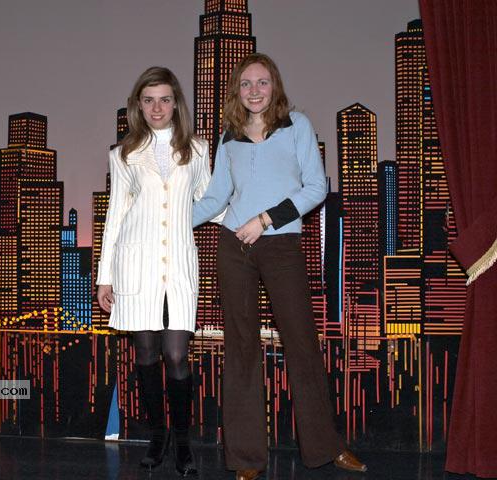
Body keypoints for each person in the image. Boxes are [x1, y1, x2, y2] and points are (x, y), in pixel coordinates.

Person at [193, 53, 367, 480]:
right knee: (241, 348)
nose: (254, 90)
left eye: (262, 82)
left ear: (275, 86)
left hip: (281, 244)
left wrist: (267, 218)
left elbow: (316, 187)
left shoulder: (296, 126)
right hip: (234, 245)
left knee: (302, 344)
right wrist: (166, 220)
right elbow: (216, 197)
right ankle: (245, 458)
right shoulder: (229, 137)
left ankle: (326, 448)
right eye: (246, 83)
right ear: (236, 90)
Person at [96, 66, 210, 477]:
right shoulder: (123, 154)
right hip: (135, 264)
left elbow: (209, 202)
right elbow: (115, 215)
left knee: (176, 354)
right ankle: (156, 437)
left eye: (164, 99)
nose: (157, 108)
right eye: (148, 100)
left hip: (178, 262)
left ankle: (183, 442)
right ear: (138, 106)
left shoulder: (198, 149)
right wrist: (104, 276)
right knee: (145, 354)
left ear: (176, 103)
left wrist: (250, 223)